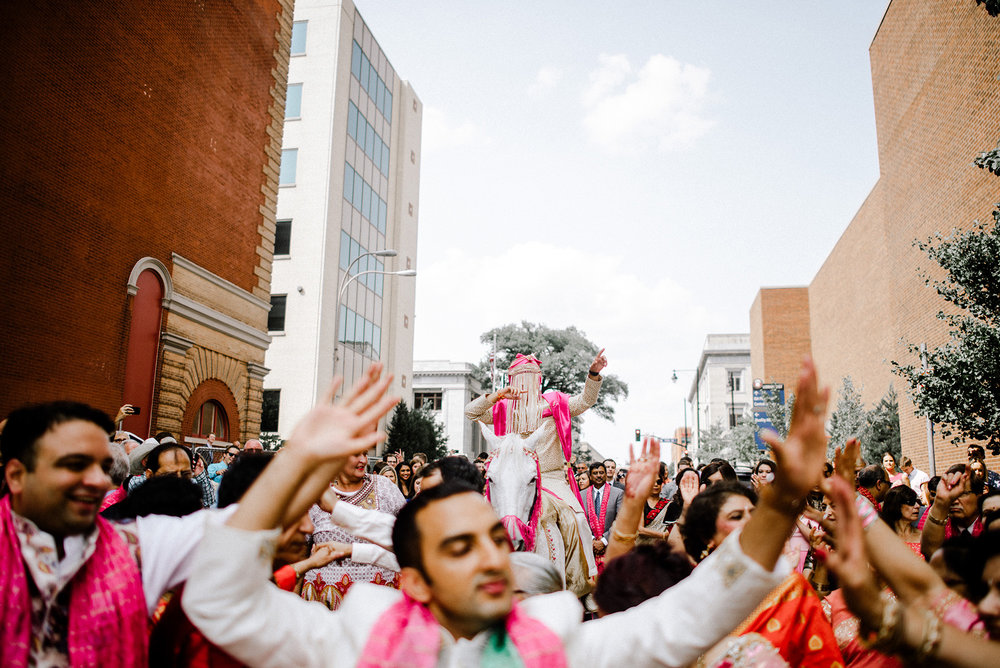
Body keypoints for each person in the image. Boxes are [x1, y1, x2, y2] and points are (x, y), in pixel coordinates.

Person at [181, 356, 838, 667]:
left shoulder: (561, 646)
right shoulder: (348, 649)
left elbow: (693, 615)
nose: (494, 557)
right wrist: (295, 460)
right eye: (459, 548)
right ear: (412, 582)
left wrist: (782, 501)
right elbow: (220, 600)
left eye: (494, 540)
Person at [0, 401, 251, 665]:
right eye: (75, 465)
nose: (98, 480)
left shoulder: (129, 544)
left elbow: (240, 525)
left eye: (102, 467)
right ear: (17, 475)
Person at [465, 350, 608, 577]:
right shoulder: (502, 408)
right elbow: (470, 412)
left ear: (539, 380)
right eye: (520, 378)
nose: (526, 383)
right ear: (512, 380)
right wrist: (496, 396)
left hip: (550, 477)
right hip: (513, 480)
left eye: (531, 377)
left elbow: (586, 400)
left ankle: (590, 578)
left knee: (579, 520)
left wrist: (593, 374)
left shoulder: (555, 404)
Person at [680, 481, 845, 667]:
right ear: (707, 537)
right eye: (736, 516)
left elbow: (822, 659)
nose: (750, 521)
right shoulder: (693, 592)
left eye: (753, 512)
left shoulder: (790, 588)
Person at [300, 449, 406, 610]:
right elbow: (300, 551)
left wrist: (337, 510)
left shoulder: (384, 487)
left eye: (365, 454)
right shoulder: (318, 491)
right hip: (324, 602)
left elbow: (405, 536)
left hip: (379, 600)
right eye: (356, 454)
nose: (363, 460)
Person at [921, 464, 985, 559]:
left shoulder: (990, 525)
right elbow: (929, 551)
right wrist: (940, 503)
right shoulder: (940, 528)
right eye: (951, 494)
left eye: (962, 494)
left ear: (979, 496)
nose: (954, 500)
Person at [582, 459, 623, 573]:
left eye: (601, 473)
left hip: (611, 546)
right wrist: (592, 541)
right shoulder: (582, 495)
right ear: (590, 476)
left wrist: (604, 541)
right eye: (595, 473)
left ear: (606, 474)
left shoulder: (618, 493)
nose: (598, 476)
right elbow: (581, 521)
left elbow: (619, 520)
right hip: (589, 547)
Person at [880, 485, 924, 558]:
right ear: (896, 504)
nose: (917, 506)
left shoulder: (923, 537)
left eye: (916, 501)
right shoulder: (882, 537)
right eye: (910, 502)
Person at [636, 462, 671, 544]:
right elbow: (640, 530)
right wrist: (662, 535)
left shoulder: (668, 504)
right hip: (642, 549)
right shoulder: (640, 503)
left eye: (658, 482)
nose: (656, 485)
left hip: (661, 549)